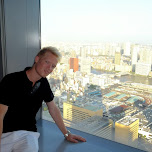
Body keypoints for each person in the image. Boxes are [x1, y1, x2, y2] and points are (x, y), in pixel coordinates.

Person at [0, 46, 86, 152]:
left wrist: (67, 134)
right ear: (37, 59)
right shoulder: (11, 80)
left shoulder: (44, 84)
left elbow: (53, 108)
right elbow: (0, 114)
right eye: (47, 62)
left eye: (53, 66)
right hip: (4, 133)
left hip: (27, 134)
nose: (49, 68)